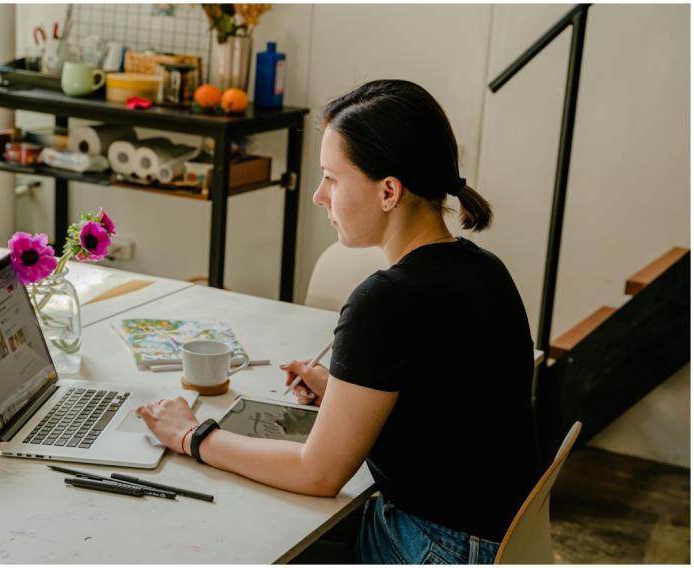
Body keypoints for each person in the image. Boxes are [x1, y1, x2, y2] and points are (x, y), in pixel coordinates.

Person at [137, 79, 542, 564]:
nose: (317, 196)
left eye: (331, 178)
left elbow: (319, 473)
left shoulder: (386, 300)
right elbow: (449, 408)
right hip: (492, 541)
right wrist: (341, 391)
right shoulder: (483, 269)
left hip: (433, 545)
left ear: (389, 191)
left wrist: (191, 436)